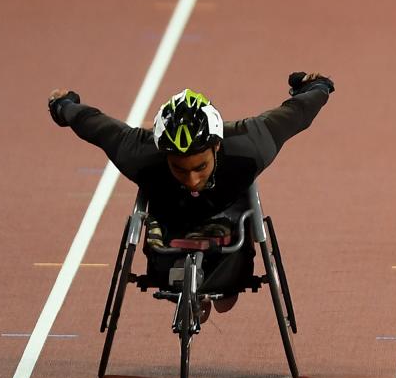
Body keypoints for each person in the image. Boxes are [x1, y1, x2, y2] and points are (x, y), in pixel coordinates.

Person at [47, 72, 333, 316]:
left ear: (217, 147)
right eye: (180, 169)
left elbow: (298, 113)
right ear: (163, 154)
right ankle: (185, 269)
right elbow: (93, 124)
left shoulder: (250, 144)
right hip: (168, 223)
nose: (193, 178)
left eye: (200, 166)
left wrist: (317, 87)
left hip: (228, 222)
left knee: (226, 301)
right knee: (165, 231)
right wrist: (63, 107)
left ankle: (215, 276)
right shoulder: (139, 153)